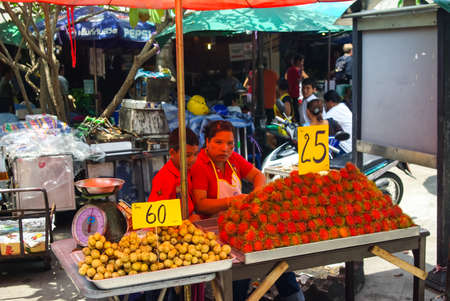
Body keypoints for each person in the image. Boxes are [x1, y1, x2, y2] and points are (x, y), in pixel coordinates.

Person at [191, 120, 304, 301]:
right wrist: (231, 201)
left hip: (241, 224)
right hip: (215, 233)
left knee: (277, 259)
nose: (225, 149)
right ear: (207, 141)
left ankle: (293, 296)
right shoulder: (200, 165)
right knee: (239, 277)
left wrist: (256, 194)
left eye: (229, 143)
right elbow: (201, 204)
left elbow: (257, 175)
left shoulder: (233, 159)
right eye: (218, 142)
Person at [148, 127, 200, 220]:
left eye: (196, 154)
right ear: (172, 152)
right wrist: (184, 222)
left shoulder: (186, 170)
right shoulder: (164, 178)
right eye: (187, 155)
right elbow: (156, 214)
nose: (193, 159)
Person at [286, 54, 308, 123]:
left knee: (295, 110)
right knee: (296, 111)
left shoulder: (291, 69)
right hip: (294, 93)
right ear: (298, 61)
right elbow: (300, 79)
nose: (302, 63)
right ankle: (297, 123)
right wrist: (301, 70)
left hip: (293, 92)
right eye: (302, 62)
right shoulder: (294, 70)